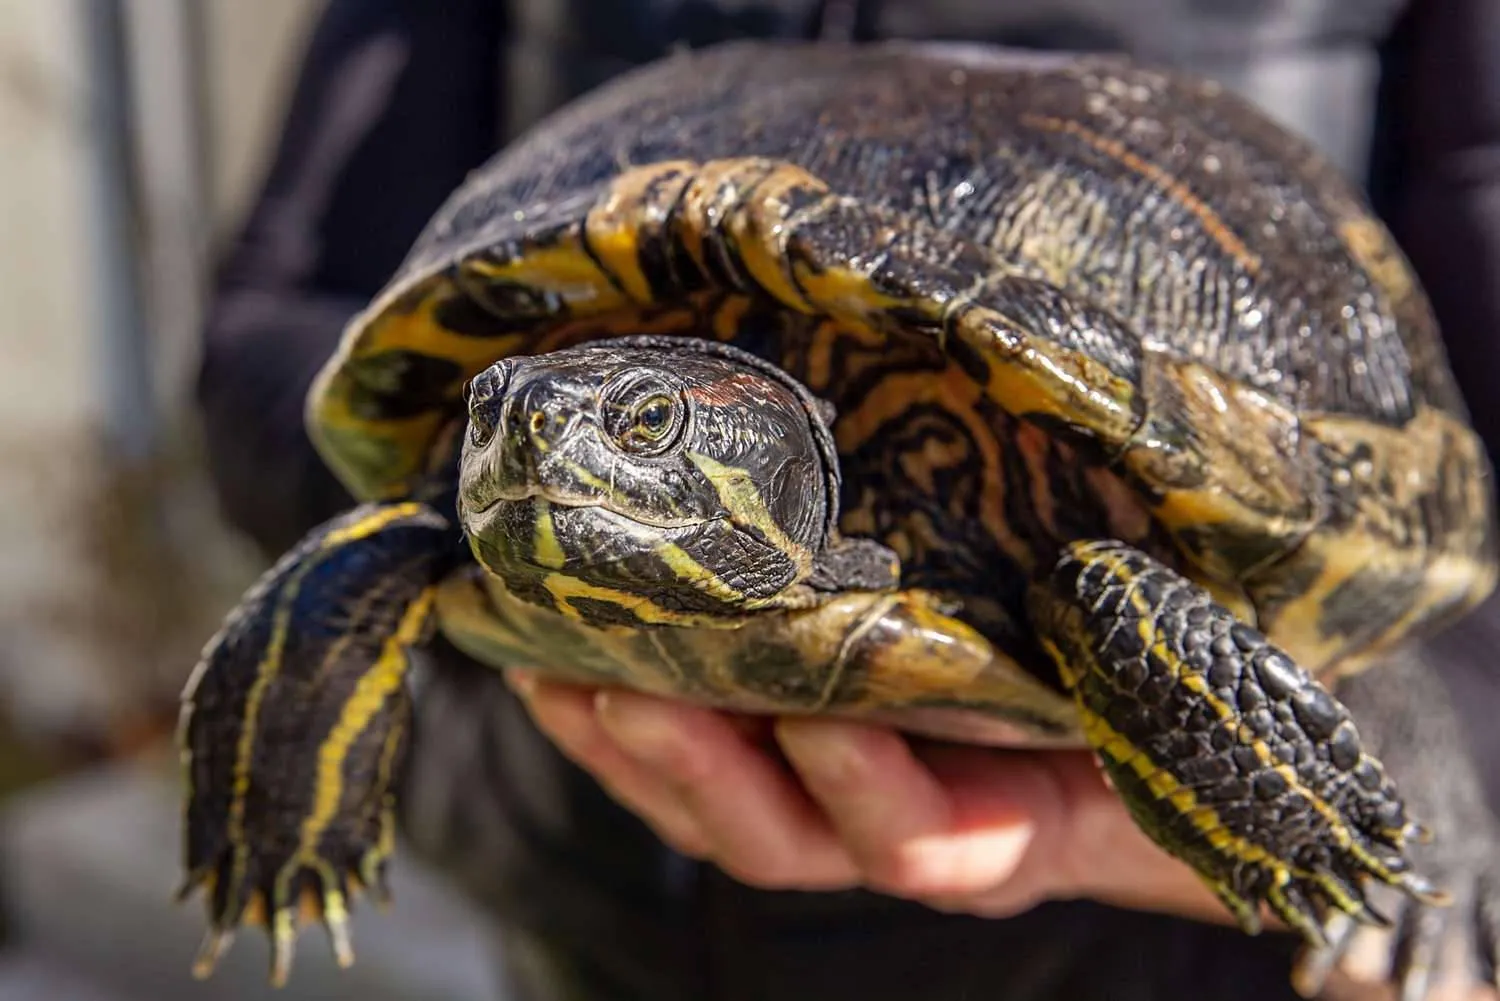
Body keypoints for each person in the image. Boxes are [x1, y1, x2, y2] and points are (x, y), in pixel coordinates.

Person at [196, 1, 1500, 998]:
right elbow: (278, 326)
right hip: (589, 911)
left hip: (1164, 959)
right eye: (506, 421)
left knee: (1117, 593)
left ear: (773, 446)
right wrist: (425, 776)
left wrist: (1428, 800)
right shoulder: (493, 485)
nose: (531, 440)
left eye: (644, 431)